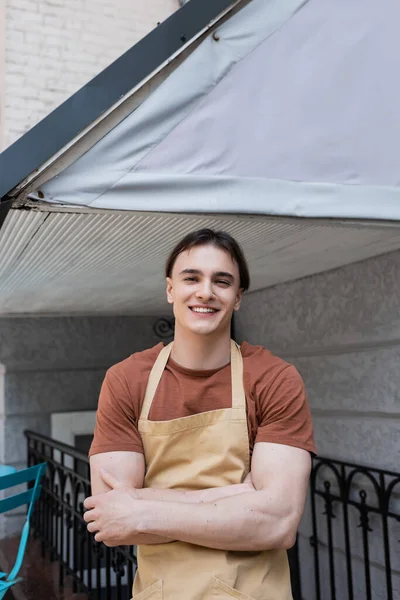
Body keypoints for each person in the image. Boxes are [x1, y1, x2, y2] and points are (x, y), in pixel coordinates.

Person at [84, 228, 316, 600]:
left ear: (238, 297)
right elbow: (113, 523)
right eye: (191, 278)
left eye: (221, 281)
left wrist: (144, 508)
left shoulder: (273, 378)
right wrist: (241, 498)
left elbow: (278, 524)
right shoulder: (126, 380)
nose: (205, 292)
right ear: (170, 289)